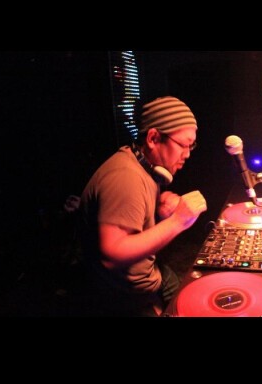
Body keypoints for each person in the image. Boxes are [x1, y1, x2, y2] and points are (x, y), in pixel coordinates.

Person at [79, 96, 207, 316]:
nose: (187, 154)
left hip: (152, 275)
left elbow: (132, 223)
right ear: (153, 138)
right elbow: (112, 255)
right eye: (183, 145)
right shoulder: (125, 177)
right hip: (125, 297)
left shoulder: (145, 167)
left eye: (191, 145)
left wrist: (160, 211)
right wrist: (178, 221)